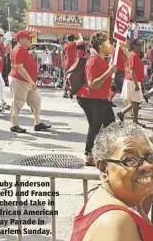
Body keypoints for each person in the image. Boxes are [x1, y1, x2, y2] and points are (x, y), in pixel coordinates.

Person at [76, 31, 116, 166]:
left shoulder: (102, 60)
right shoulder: (93, 61)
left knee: (111, 123)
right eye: (108, 42)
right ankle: (89, 154)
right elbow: (93, 84)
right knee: (95, 124)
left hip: (101, 97)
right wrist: (109, 72)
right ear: (100, 44)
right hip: (90, 97)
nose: (110, 45)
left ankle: (106, 150)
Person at [9, 31, 51, 133]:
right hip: (20, 80)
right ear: (21, 40)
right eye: (28, 39)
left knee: (36, 101)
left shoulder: (23, 50)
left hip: (28, 82)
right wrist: (31, 81)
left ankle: (38, 123)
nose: (30, 41)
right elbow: (19, 68)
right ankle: (14, 124)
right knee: (17, 102)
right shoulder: (18, 50)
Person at [117, 40, 145, 127]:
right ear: (134, 46)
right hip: (132, 81)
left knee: (136, 101)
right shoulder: (133, 56)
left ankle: (123, 113)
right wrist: (136, 84)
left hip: (134, 80)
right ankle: (134, 121)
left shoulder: (134, 55)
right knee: (136, 101)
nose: (141, 47)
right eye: (139, 45)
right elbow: (132, 70)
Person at [62, 34, 83, 98]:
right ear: (73, 39)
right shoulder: (74, 44)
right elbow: (81, 40)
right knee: (73, 78)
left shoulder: (65, 45)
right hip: (73, 64)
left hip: (67, 63)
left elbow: (62, 54)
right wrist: (80, 35)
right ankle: (71, 92)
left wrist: (63, 62)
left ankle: (65, 92)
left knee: (66, 77)